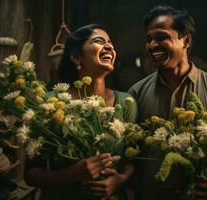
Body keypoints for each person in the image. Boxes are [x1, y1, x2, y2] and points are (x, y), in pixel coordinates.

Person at [128, 5, 207, 200]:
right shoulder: (136, 94)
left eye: (162, 37)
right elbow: (130, 157)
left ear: (186, 40)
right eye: (149, 39)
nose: (152, 45)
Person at [25, 24, 137, 200]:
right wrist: (71, 174)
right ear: (77, 57)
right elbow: (30, 174)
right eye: (99, 41)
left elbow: (131, 160)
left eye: (111, 43)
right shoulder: (51, 103)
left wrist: (120, 180)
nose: (109, 46)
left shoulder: (126, 103)